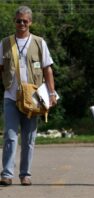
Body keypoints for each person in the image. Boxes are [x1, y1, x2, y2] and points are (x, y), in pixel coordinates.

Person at [0, 6, 57, 186]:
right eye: (19, 21)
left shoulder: (40, 42)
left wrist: (52, 92)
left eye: (25, 21)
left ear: (30, 22)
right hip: (11, 96)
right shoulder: (5, 43)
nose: (22, 24)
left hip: (33, 98)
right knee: (10, 135)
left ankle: (25, 174)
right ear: (14, 22)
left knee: (29, 137)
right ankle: (7, 174)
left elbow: (48, 69)